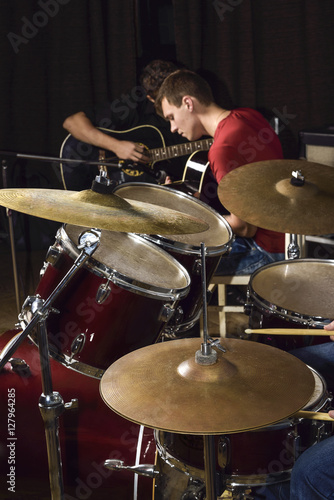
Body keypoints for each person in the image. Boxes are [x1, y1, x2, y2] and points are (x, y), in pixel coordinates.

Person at [155, 69, 285, 276]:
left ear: (188, 103)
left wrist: (188, 218)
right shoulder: (248, 116)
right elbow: (250, 192)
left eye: (171, 117)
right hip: (290, 236)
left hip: (267, 251)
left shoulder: (222, 149)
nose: (172, 128)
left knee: (170, 264)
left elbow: (244, 228)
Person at [61, 59, 188, 190]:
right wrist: (116, 146)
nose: (174, 100)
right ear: (150, 98)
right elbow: (71, 122)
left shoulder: (189, 110)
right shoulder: (133, 105)